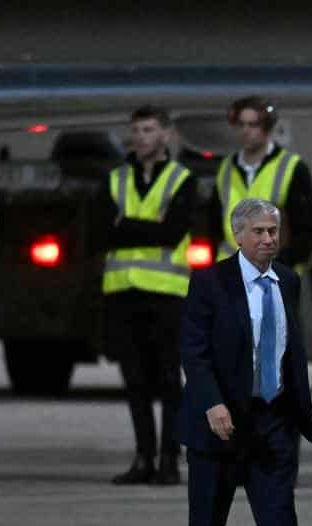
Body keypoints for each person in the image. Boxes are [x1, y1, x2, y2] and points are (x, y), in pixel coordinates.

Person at [179, 198, 312, 526]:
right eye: (259, 232)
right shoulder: (211, 282)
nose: (268, 240)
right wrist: (212, 403)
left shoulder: (288, 281)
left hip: (272, 422)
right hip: (220, 426)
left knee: (280, 518)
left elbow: (289, 350)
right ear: (239, 236)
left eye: (273, 231)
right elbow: (194, 350)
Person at [93, 105, 195, 486]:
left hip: (166, 294)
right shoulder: (116, 179)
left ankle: (170, 457)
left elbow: (172, 233)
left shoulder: (180, 179)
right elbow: (101, 231)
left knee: (170, 379)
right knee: (134, 380)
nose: (141, 137)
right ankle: (143, 457)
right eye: (136, 130)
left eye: (149, 130)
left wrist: (126, 226)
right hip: (123, 293)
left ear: (166, 135)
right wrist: (146, 227)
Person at [209, 95, 312, 268]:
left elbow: (307, 230)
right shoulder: (226, 168)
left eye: (253, 125)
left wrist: (282, 264)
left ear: (267, 128)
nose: (245, 130)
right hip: (232, 273)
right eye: (240, 124)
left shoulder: (292, 168)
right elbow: (214, 223)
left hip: (274, 275)